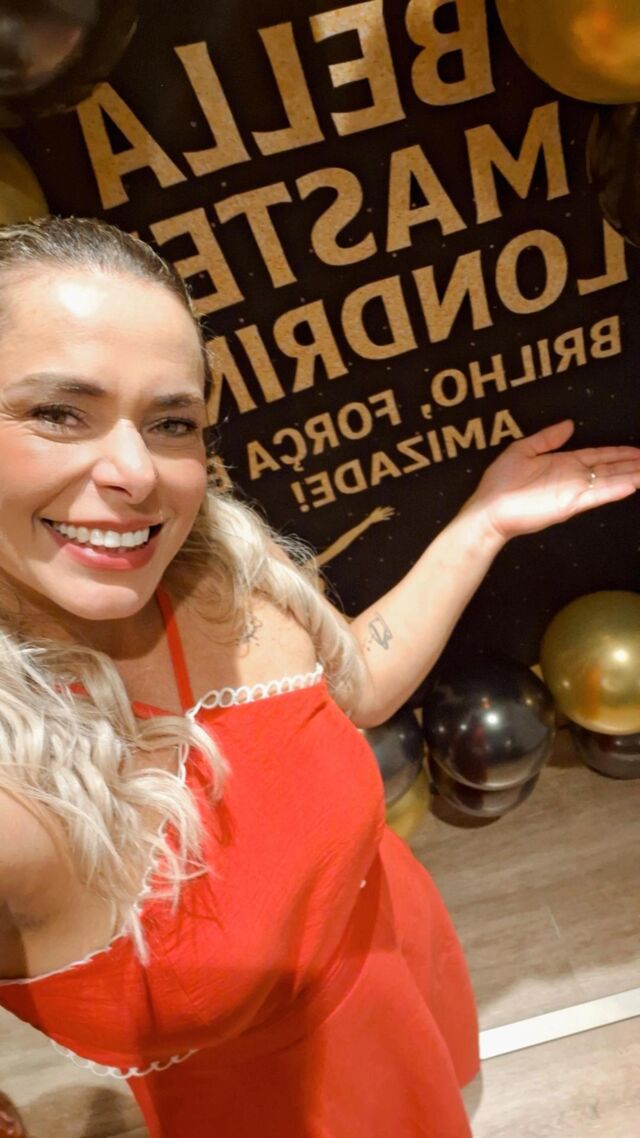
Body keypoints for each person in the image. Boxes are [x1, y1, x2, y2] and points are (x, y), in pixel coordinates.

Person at [0, 217, 638, 1138]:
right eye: (61, 412)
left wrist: (483, 524)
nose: (137, 473)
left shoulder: (217, 565)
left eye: (172, 422)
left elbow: (359, 687)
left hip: (389, 943)